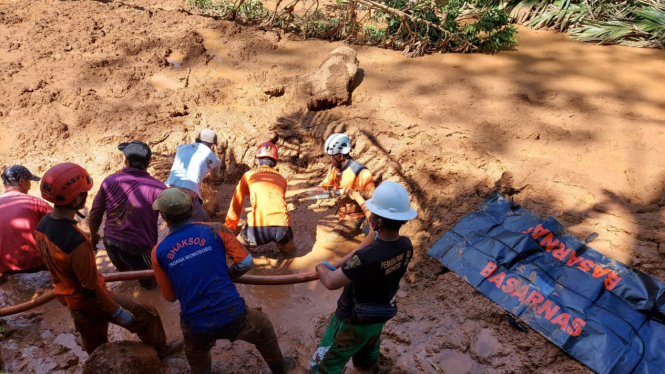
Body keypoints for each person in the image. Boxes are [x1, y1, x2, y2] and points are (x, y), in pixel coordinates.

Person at [151, 188, 295, 374]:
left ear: (164, 217)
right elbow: (245, 262)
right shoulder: (216, 229)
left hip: (196, 325)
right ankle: (281, 368)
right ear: (191, 208)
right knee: (264, 328)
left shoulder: (158, 251)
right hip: (233, 314)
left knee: (196, 351)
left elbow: (170, 297)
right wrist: (226, 277)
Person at [35, 163, 168, 355]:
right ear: (78, 198)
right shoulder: (77, 241)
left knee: (95, 344)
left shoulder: (43, 224)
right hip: (89, 300)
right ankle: (161, 352)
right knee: (148, 314)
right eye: (85, 193)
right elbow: (91, 289)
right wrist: (116, 311)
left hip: (70, 299)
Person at [311, 181, 417, 373]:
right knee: (367, 357)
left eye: (372, 213)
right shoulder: (406, 245)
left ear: (377, 222)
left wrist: (320, 268)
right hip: (379, 316)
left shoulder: (365, 258)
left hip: (351, 320)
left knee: (326, 363)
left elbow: (330, 281)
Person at [88, 141, 166, 289]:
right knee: (153, 287)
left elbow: (95, 213)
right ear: (148, 163)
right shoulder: (158, 188)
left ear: (127, 161)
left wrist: (93, 236)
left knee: (124, 278)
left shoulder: (109, 180)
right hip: (139, 248)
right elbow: (170, 220)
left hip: (111, 243)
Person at [224, 142, 295, 255]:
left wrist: (230, 227)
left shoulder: (248, 175)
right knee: (291, 253)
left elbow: (236, 202)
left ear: (257, 160)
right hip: (283, 228)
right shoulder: (282, 179)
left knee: (234, 249)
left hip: (258, 229)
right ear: (275, 162)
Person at [307, 133, 375, 239]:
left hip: (355, 218)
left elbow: (372, 195)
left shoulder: (361, 171)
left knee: (329, 242)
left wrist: (352, 193)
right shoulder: (335, 168)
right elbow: (326, 182)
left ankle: (358, 230)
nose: (329, 158)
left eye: (330, 156)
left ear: (340, 156)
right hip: (342, 214)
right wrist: (313, 191)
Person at [0, 165, 52, 276]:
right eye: (29, 181)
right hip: (35, 263)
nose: (29, 186)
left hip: (4, 267)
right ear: (21, 181)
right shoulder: (35, 202)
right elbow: (61, 225)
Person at [164, 129, 222, 222]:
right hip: (189, 196)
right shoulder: (215, 159)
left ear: (196, 140)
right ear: (212, 145)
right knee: (205, 224)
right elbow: (214, 177)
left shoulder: (181, 147)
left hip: (165, 191)